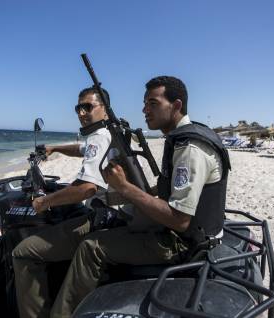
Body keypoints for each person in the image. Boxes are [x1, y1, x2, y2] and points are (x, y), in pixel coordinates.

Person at [49, 76, 231, 317]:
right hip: (190, 233)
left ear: (176, 106)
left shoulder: (190, 148)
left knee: (91, 247)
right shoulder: (184, 136)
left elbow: (180, 220)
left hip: (184, 243)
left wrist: (125, 188)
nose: (144, 110)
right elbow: (172, 192)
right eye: (145, 103)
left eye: (153, 103)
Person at [12, 87, 112, 318]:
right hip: (110, 213)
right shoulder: (109, 133)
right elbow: (82, 149)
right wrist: (55, 147)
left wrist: (44, 202)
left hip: (101, 220)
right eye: (79, 107)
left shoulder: (99, 137)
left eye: (88, 107)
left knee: (23, 253)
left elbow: (87, 188)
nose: (82, 113)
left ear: (105, 110)